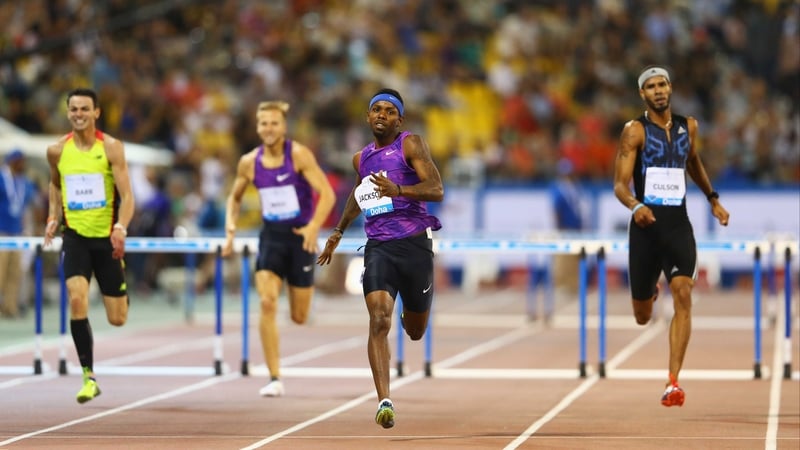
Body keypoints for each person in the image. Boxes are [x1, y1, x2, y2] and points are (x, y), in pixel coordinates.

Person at [317, 88, 444, 429]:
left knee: (415, 332)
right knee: (378, 320)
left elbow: (436, 188)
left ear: (399, 119)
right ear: (367, 116)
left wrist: (400, 190)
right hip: (379, 247)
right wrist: (339, 231)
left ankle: (410, 309)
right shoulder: (361, 158)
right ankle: (384, 400)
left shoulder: (411, 144)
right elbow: (358, 197)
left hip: (415, 245)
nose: (382, 115)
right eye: (376, 109)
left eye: (389, 111)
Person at [613, 67, 730, 407]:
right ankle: (651, 289)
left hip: (678, 225)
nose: (658, 91)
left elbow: (693, 162)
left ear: (670, 88)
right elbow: (620, 185)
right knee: (642, 316)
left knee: (684, 294)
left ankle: (673, 381)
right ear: (643, 95)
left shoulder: (688, 127)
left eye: (662, 84)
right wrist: (636, 206)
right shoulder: (634, 132)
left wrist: (713, 199)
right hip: (646, 228)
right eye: (650, 87)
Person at [222, 101, 335, 397]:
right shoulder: (249, 162)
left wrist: (313, 227)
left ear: (283, 127)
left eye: (274, 123)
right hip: (271, 237)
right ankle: (274, 376)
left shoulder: (297, 154)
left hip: (300, 239)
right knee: (267, 302)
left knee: (299, 316)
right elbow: (233, 198)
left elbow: (327, 194)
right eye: (263, 124)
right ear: (257, 128)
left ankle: (296, 296)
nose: (268, 129)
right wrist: (230, 228)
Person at [43, 87, 135, 404]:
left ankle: (121, 285)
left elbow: (128, 195)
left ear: (96, 113)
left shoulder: (111, 148)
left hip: (106, 239)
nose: (79, 114)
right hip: (76, 238)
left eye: (85, 109)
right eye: (74, 109)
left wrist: (121, 226)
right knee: (76, 299)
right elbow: (55, 185)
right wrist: (53, 216)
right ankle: (88, 377)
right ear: (67, 112)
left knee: (117, 318)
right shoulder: (56, 151)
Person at [0, 149, 38, 318]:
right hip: (2, 232)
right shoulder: (2, 178)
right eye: (20, 161)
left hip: (17, 233)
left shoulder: (25, 182)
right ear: (12, 161)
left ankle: (10, 306)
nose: (23, 164)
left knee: (15, 272)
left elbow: (32, 205)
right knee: (0, 272)